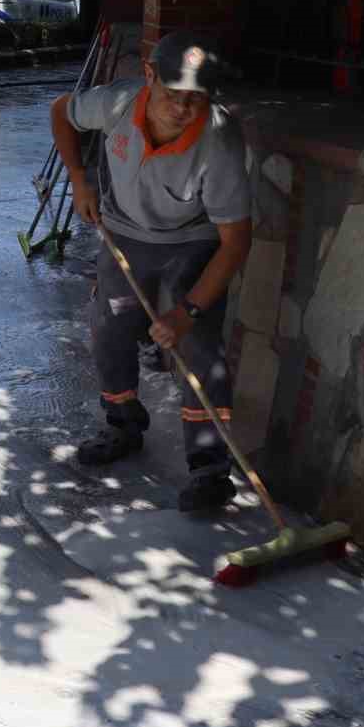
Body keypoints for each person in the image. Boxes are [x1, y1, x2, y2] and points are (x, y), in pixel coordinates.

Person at [52, 30, 253, 513]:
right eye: (172, 93)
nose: (182, 108)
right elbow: (61, 112)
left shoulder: (219, 140)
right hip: (124, 232)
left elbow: (235, 242)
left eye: (195, 98)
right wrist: (79, 179)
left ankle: (210, 470)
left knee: (199, 346)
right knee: (110, 327)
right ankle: (122, 424)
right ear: (148, 76)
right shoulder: (119, 103)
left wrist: (187, 311)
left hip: (193, 241)